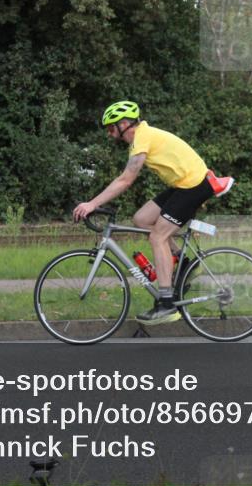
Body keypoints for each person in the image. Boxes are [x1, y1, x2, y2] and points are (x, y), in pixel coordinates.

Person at [73, 101, 233, 325]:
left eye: (111, 128)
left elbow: (126, 179)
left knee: (158, 236)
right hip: (183, 185)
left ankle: (167, 304)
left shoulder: (142, 138)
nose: (110, 135)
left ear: (125, 124)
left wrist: (91, 204)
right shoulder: (143, 138)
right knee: (141, 219)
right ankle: (181, 261)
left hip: (194, 185)